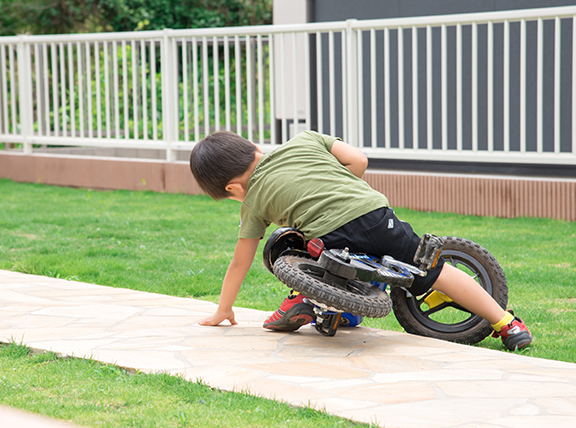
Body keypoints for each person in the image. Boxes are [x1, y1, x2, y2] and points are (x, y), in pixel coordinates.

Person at [189, 130, 533, 351]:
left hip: (332, 239)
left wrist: (224, 309)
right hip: (376, 216)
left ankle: (310, 299)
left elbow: (241, 260)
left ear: (232, 189)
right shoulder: (304, 140)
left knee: (290, 246)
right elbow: (359, 159)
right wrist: (341, 189)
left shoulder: (251, 203)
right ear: (256, 148)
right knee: (433, 272)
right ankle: (507, 323)